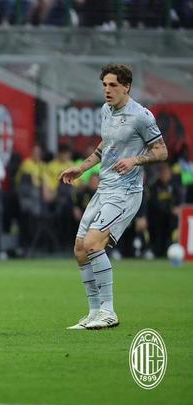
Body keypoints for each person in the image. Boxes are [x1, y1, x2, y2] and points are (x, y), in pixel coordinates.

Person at [59, 64, 168, 330]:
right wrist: (82, 169)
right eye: (104, 85)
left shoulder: (141, 116)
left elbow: (161, 151)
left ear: (126, 86)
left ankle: (109, 312)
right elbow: (104, 146)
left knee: (93, 243)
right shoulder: (106, 111)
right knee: (80, 249)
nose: (107, 90)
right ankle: (94, 312)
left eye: (113, 85)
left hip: (126, 192)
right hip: (104, 188)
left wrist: (135, 160)